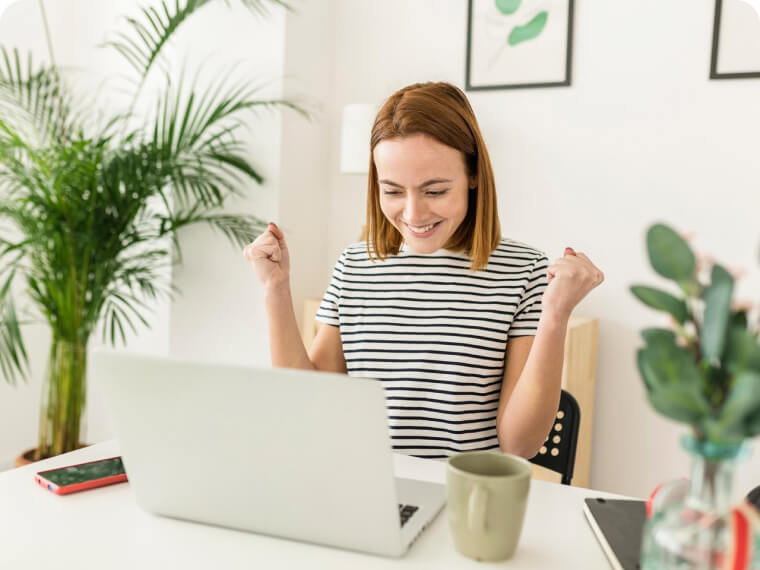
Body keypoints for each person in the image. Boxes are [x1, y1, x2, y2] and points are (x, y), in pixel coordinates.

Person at [244, 81, 603, 460]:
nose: (413, 214)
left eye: (434, 191)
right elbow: (312, 407)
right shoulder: (353, 267)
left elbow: (520, 445)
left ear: (473, 176)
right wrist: (276, 288)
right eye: (394, 191)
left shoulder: (523, 271)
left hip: (468, 502)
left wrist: (556, 315)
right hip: (369, 492)